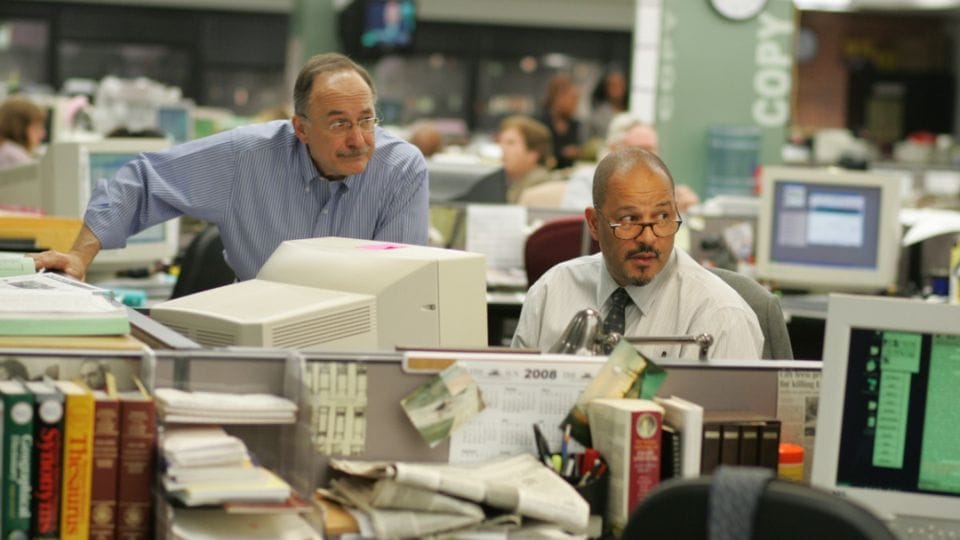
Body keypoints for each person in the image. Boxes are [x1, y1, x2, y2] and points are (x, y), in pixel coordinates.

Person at [30, 53, 429, 282]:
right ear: (301, 129)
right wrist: (80, 256)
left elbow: (398, 285)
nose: (359, 139)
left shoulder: (400, 170)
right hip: (259, 337)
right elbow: (144, 180)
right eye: (339, 124)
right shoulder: (247, 157)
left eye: (366, 120)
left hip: (358, 341)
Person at [512, 147, 762, 360]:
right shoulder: (550, 292)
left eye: (662, 217)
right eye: (629, 220)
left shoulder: (722, 317)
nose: (648, 238)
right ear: (594, 224)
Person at [562, 114, 699, 214]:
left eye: (653, 149)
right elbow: (580, 229)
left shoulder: (662, 187)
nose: (651, 158)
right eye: (642, 150)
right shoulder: (586, 180)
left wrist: (685, 211)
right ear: (614, 149)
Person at [454, 115, 554, 204]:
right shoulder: (497, 181)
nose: (503, 148)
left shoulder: (543, 186)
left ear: (533, 153)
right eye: (501, 142)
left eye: (510, 143)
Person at [539, 73, 582, 170]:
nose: (576, 104)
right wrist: (563, 153)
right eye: (573, 98)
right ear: (558, 96)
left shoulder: (575, 124)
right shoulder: (540, 122)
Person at [0, 96, 47, 168]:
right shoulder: (13, 155)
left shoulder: (6, 149)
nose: (43, 134)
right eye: (37, 128)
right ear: (19, 129)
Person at [587, 69, 628, 141]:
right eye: (612, 85)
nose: (616, 88)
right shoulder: (597, 116)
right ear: (605, 88)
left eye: (619, 84)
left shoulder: (632, 111)